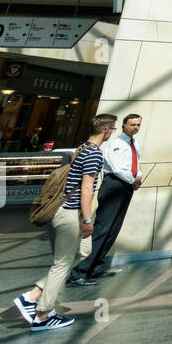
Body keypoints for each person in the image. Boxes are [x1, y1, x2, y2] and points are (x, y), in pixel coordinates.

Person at [13, 114, 109, 331]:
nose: (111, 132)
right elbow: (86, 188)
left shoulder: (82, 147)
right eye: (111, 128)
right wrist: (87, 219)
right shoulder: (93, 153)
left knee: (83, 252)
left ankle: (33, 295)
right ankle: (42, 315)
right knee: (62, 264)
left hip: (67, 211)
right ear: (106, 130)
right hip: (71, 213)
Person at [68, 113, 138, 285]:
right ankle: (80, 271)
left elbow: (136, 162)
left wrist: (138, 176)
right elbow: (116, 167)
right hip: (115, 185)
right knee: (103, 228)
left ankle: (96, 267)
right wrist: (132, 180)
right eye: (133, 124)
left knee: (114, 228)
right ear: (123, 126)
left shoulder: (134, 143)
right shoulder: (114, 144)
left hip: (126, 186)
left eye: (138, 125)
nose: (136, 128)